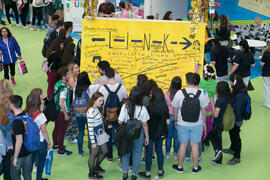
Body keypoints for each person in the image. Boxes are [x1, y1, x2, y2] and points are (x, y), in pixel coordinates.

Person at [172, 72, 209, 175]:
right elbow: (204, 110)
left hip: (182, 123)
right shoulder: (202, 93)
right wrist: (204, 122)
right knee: (195, 145)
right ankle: (195, 168)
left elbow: (175, 109)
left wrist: (175, 120)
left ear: (186, 81)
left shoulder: (179, 93)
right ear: (196, 82)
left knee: (183, 145)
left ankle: (180, 166)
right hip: (197, 124)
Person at [118, 86, 150, 180]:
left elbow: (120, 121)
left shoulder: (125, 106)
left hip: (127, 133)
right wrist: (147, 137)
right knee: (137, 154)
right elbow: (145, 125)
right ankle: (134, 175)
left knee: (126, 153)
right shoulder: (142, 109)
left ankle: (125, 174)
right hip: (138, 134)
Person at [98, 68, 128, 161]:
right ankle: (120, 155)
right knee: (120, 136)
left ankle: (110, 156)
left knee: (109, 137)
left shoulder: (102, 88)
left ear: (106, 76)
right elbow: (126, 101)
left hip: (107, 116)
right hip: (119, 116)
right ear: (115, 74)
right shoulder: (122, 87)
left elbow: (99, 103)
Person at [139, 87, 168, 179]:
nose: (150, 95)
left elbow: (145, 122)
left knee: (148, 152)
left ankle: (147, 173)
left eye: (151, 94)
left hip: (150, 133)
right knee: (159, 151)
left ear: (155, 96)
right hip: (160, 132)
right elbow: (167, 121)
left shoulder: (149, 107)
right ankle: (160, 171)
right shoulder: (164, 106)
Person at [25, 89, 51, 180]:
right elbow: (44, 132)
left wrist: (42, 103)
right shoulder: (41, 116)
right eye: (41, 94)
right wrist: (48, 143)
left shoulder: (26, 112)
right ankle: (38, 178)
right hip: (40, 142)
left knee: (30, 162)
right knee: (41, 161)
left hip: (30, 141)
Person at [223, 74, 248, 165]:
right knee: (232, 133)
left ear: (234, 82)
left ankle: (237, 157)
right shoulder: (238, 90)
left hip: (236, 120)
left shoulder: (240, 96)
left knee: (236, 137)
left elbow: (238, 110)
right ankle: (232, 149)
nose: (229, 83)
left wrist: (234, 122)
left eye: (230, 81)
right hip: (234, 118)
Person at [74, 72, 100, 157]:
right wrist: (95, 76)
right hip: (87, 113)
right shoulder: (90, 88)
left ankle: (80, 152)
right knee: (90, 131)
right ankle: (91, 151)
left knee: (81, 132)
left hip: (78, 113)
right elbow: (102, 84)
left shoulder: (75, 89)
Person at [8, 95, 32, 180]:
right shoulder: (26, 114)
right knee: (27, 175)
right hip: (29, 150)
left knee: (15, 175)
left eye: (9, 103)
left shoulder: (17, 121)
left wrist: (15, 157)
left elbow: (19, 140)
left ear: (12, 105)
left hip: (20, 154)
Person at [208, 81, 231, 165]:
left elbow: (215, 115)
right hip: (226, 122)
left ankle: (218, 153)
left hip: (218, 123)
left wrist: (212, 103)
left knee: (211, 135)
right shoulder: (230, 98)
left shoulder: (220, 101)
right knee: (218, 138)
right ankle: (218, 154)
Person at [87, 92, 108, 179]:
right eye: (99, 101)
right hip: (95, 136)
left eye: (102, 101)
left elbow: (99, 122)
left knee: (105, 151)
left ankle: (96, 168)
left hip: (101, 134)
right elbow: (90, 128)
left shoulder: (97, 109)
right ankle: (91, 174)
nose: (101, 103)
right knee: (93, 155)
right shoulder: (91, 112)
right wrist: (93, 142)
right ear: (94, 100)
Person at [52, 66, 73, 156]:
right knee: (61, 131)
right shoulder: (64, 88)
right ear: (64, 76)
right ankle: (61, 150)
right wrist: (65, 114)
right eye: (68, 74)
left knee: (56, 128)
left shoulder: (57, 84)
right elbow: (61, 102)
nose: (69, 75)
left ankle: (56, 145)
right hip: (62, 111)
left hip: (56, 110)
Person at [199, 64, 217, 147]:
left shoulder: (202, 82)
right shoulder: (215, 82)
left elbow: (193, 80)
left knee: (202, 124)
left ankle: (201, 142)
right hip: (211, 106)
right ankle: (207, 140)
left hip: (202, 105)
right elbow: (214, 94)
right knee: (209, 123)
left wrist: (196, 70)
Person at [164, 76, 181, 160]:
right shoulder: (181, 94)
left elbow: (164, 107)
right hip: (178, 117)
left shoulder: (167, 94)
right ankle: (176, 154)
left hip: (169, 117)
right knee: (176, 137)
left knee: (169, 136)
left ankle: (167, 154)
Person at [0, 79, 13, 180]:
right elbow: (9, 130)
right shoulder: (9, 111)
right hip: (8, 146)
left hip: (2, 145)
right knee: (8, 172)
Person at [261, 44, 270, 109]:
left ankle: (267, 104)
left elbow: (262, 63)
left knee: (267, 88)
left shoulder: (266, 53)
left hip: (266, 73)